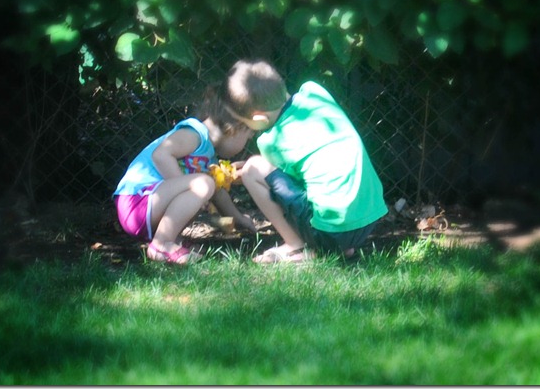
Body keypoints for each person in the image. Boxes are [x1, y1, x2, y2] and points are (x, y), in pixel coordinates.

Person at [221, 59, 388, 263]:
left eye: (244, 123)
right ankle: (340, 247)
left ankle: (296, 246)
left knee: (252, 169)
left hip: (330, 232)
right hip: (368, 218)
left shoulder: (270, 142)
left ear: (259, 119)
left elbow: (276, 183)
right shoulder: (314, 91)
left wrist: (244, 172)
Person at [113, 87, 257, 264]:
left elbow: (217, 193)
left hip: (150, 205)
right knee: (203, 184)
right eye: (248, 137)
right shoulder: (194, 135)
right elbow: (161, 155)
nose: (246, 143)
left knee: (206, 185)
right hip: (137, 201)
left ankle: (172, 239)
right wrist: (191, 184)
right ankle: (162, 243)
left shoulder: (208, 154)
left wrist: (239, 219)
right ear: (234, 127)